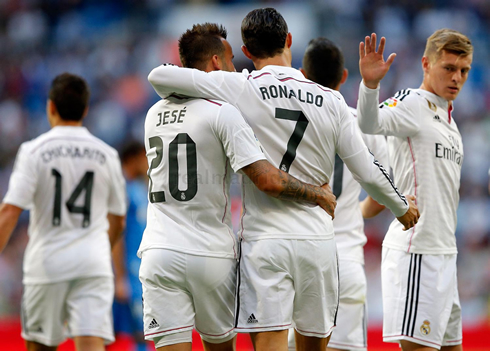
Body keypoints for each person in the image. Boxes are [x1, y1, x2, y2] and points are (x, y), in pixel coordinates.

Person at [147, 8, 419, 351]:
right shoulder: (332, 100)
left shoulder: (242, 86)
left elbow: (161, 76)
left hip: (266, 243)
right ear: (288, 40)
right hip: (318, 242)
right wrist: (400, 207)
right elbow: (366, 166)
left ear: (246, 51)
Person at [138, 22, 336, 351]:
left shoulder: (153, 114)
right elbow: (267, 179)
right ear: (216, 62)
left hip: (159, 250)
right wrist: (318, 193)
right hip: (210, 252)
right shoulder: (224, 112)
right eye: (230, 59)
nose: (235, 67)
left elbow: (161, 78)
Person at [357, 30, 472, 350]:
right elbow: (369, 124)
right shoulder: (412, 103)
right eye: (448, 68)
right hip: (416, 252)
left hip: (445, 254)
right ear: (426, 63)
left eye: (464, 70)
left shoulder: (450, 122)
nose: (457, 78)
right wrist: (370, 85)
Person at [0, 73, 127, 351]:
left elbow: (9, 212)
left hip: (47, 264)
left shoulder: (33, 151)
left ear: (50, 107)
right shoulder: (106, 154)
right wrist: (101, 249)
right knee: (91, 344)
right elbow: (118, 218)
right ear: (85, 109)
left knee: (40, 346)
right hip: (92, 264)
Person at [286, 37, 389, 351]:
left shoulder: (287, 121)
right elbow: (383, 193)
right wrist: (353, 213)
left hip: (296, 257)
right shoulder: (363, 125)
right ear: (344, 76)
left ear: (302, 73)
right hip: (345, 258)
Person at [112, 141, 149, 351]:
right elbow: (117, 234)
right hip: (129, 273)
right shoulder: (124, 190)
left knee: (138, 331)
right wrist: (120, 276)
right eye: (144, 157)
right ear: (132, 159)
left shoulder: (141, 188)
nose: (148, 162)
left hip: (140, 272)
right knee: (137, 332)